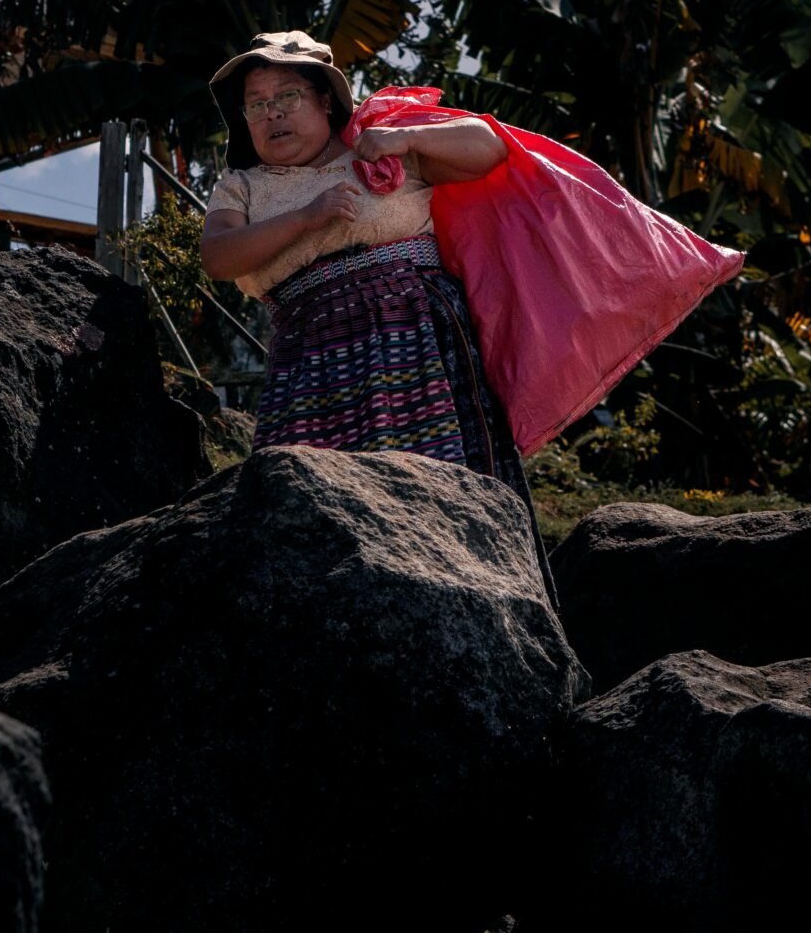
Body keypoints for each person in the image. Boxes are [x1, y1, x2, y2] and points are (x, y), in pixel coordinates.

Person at [200, 30, 557, 590]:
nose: (273, 115)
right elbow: (218, 256)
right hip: (311, 361)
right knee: (311, 513)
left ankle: (486, 611)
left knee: (448, 487)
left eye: (288, 96)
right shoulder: (242, 186)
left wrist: (405, 137)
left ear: (326, 101)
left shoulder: (382, 148)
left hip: (417, 341)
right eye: (257, 104)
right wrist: (305, 217)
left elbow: (491, 147)